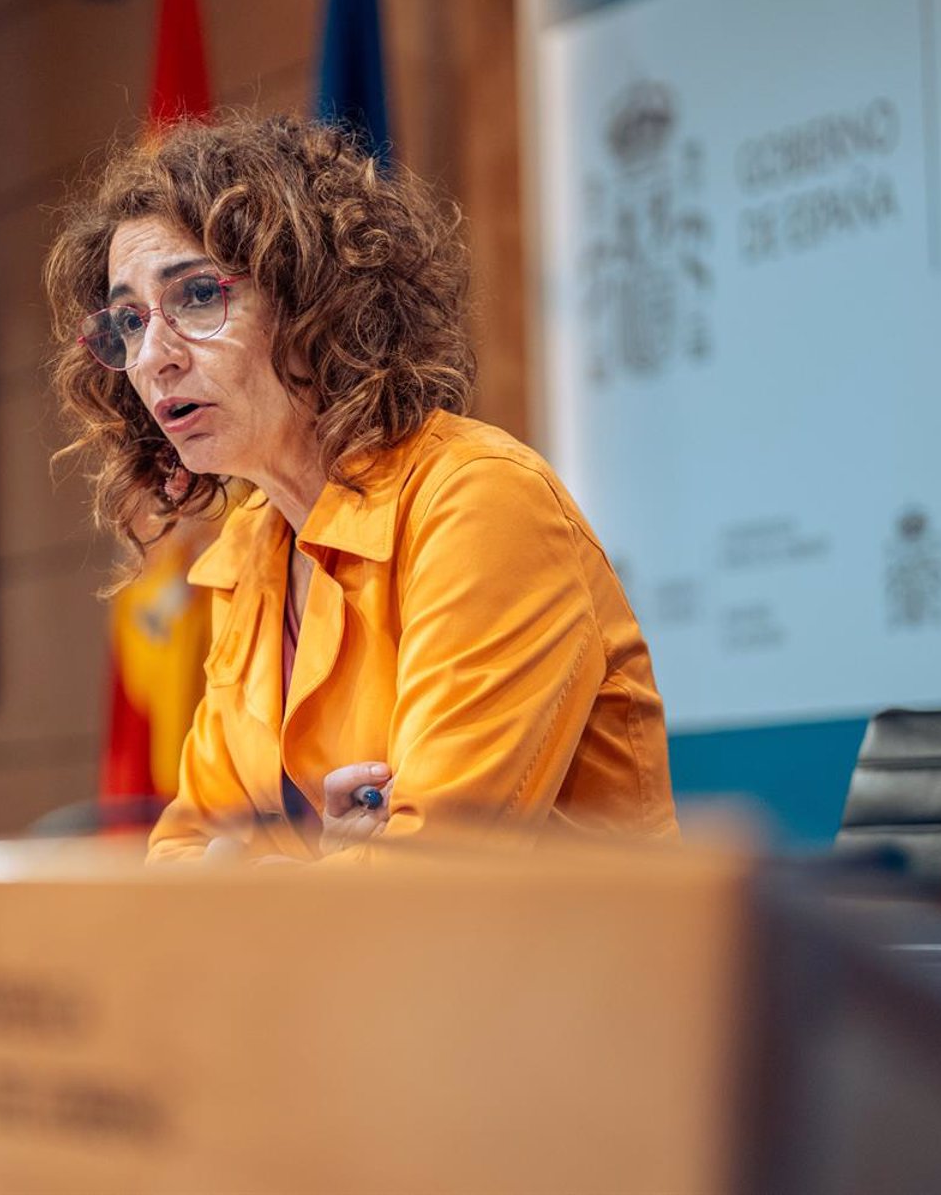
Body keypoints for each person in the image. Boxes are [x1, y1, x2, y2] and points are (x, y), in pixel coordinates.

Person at [44, 112, 676, 863]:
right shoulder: (250, 550)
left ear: (314, 301)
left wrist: (276, 873)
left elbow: (431, 871)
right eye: (128, 321)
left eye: (198, 295)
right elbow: (181, 852)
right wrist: (323, 867)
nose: (153, 357)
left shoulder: (478, 502)